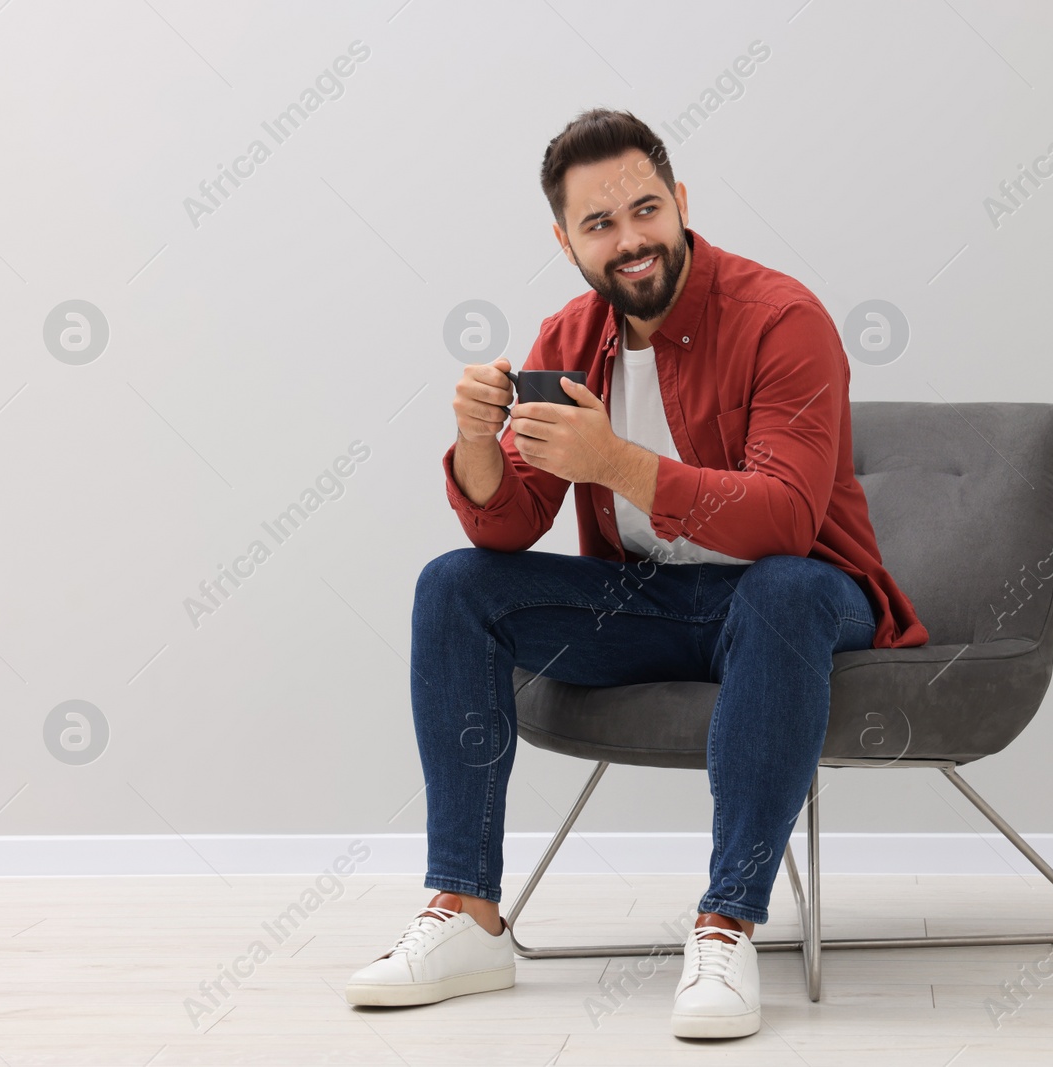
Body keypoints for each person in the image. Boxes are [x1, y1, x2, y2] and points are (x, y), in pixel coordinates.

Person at [346, 108, 927, 1038]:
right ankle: (467, 916)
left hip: (805, 593)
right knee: (453, 585)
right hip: (649, 604)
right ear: (566, 239)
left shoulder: (784, 318)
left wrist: (615, 461)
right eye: (600, 224)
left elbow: (786, 518)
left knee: (779, 587)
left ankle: (727, 923)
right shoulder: (570, 338)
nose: (631, 240)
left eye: (646, 209)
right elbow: (511, 527)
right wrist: (472, 442)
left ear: (682, 202)